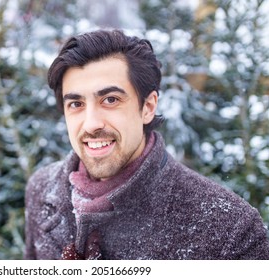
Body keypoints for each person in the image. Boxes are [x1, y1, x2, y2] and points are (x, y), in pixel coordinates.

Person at [24, 29, 269, 260]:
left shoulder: (230, 229)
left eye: (110, 100)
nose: (91, 124)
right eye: (76, 104)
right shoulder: (42, 189)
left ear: (148, 107)